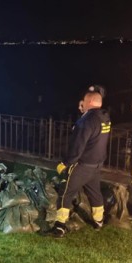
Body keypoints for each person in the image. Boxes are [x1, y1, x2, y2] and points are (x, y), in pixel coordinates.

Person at [48, 89, 111, 238]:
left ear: (88, 102)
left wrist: (65, 163)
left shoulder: (86, 121)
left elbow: (77, 147)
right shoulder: (105, 117)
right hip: (96, 165)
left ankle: (59, 227)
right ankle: (98, 221)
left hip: (82, 165)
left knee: (65, 192)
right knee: (95, 193)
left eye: (83, 102)